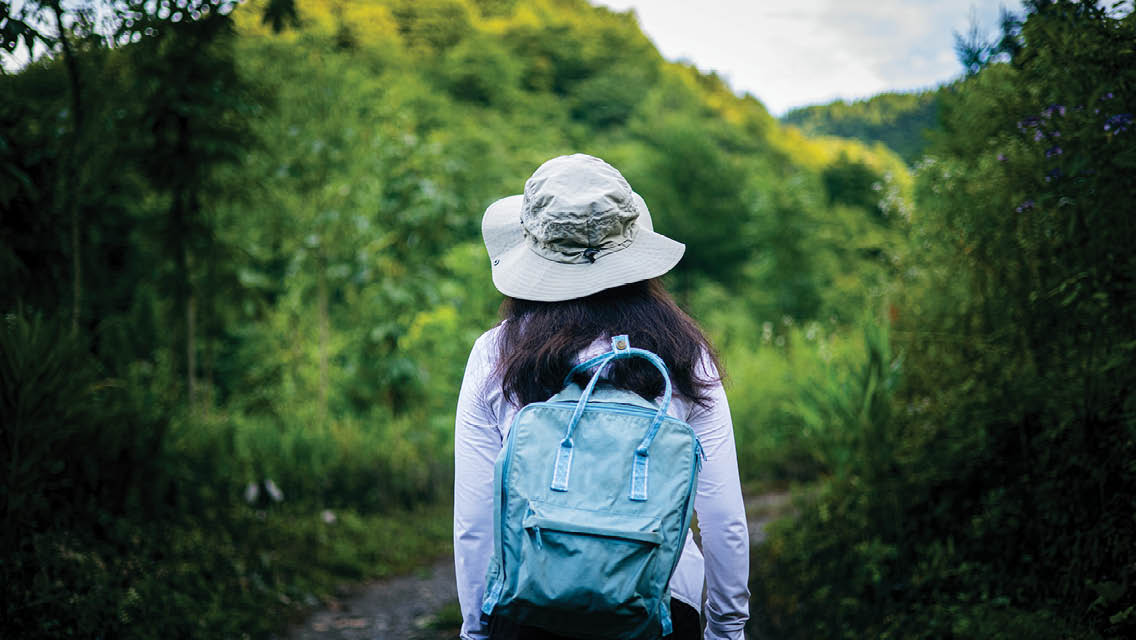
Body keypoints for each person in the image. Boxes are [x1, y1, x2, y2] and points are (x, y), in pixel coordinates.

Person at [454, 154, 750, 640]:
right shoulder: (683, 351)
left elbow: (476, 521)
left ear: (531, 248)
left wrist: (476, 631)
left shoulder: (497, 354)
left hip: (529, 607)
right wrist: (727, 629)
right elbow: (724, 521)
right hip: (659, 607)